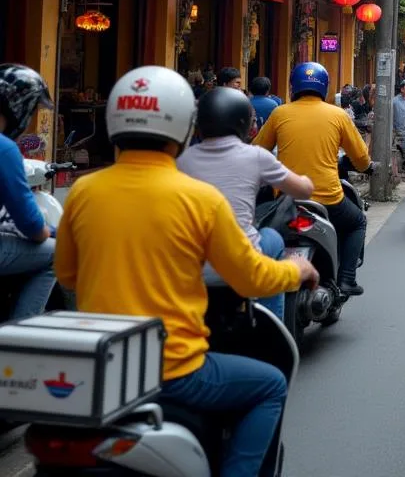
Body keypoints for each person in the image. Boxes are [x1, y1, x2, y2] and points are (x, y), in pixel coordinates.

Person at [56, 66, 316, 477]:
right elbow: (251, 279)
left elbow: (68, 276)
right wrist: (297, 272)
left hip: (105, 367)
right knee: (270, 384)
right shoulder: (199, 199)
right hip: (173, 368)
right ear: (181, 125)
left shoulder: (84, 191)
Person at [178, 86, 314, 319]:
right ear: (244, 123)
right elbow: (304, 190)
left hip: (191, 266)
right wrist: (306, 179)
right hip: (244, 264)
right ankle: (271, 325)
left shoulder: (182, 160)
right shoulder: (256, 157)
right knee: (273, 238)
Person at [254, 63, 370, 297]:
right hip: (328, 198)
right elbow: (360, 157)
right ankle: (347, 279)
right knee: (357, 222)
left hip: (285, 200)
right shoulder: (338, 115)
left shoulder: (280, 113)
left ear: (293, 86)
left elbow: (257, 150)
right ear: (324, 87)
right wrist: (367, 167)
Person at [0, 64, 56, 319]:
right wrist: (47, 232)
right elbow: (33, 226)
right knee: (57, 253)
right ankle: (20, 338)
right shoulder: (5, 149)